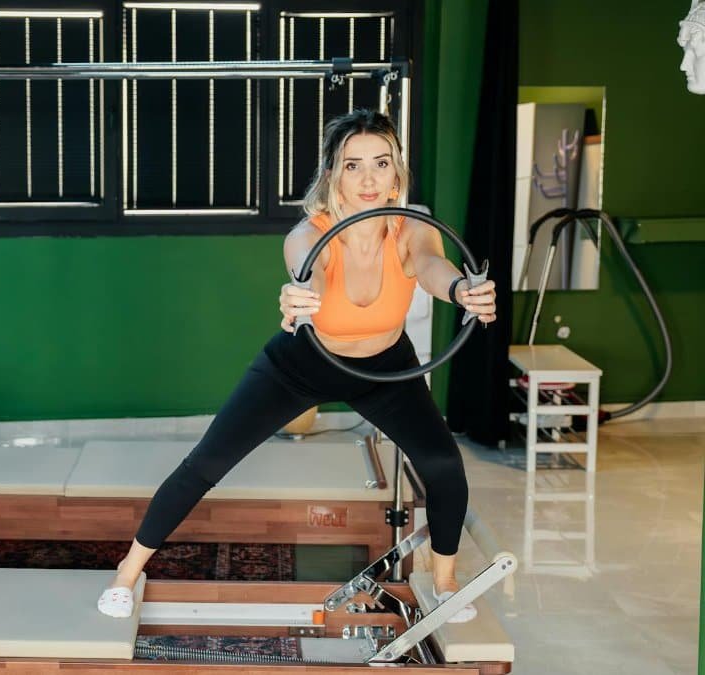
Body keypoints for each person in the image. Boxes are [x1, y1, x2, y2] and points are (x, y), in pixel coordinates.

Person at [96, 109, 496, 623]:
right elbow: (311, 275)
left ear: (397, 172)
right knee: (207, 463)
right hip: (303, 363)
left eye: (381, 163)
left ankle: (444, 583)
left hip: (385, 368)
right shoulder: (310, 233)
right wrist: (300, 296)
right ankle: (128, 573)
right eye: (353, 166)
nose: (369, 179)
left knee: (442, 464)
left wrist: (462, 290)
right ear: (333, 173)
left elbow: (432, 269)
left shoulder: (411, 229)